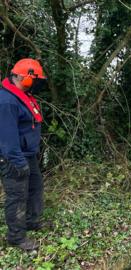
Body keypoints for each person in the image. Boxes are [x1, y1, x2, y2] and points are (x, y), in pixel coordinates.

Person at [0, 58, 47, 251]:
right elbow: (7, 138)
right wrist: (18, 163)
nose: (36, 83)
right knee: (17, 196)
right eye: (33, 79)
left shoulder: (21, 94)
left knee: (35, 188)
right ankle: (16, 238)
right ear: (22, 77)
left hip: (27, 154)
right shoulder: (7, 101)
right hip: (13, 158)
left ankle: (32, 221)